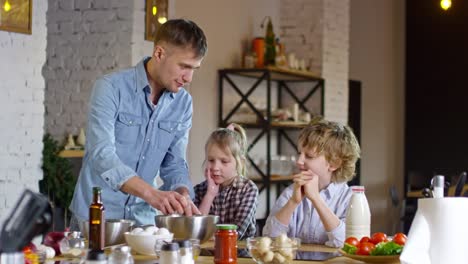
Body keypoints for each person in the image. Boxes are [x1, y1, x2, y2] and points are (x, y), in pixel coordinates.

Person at [69, 19, 207, 226]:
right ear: (159, 53)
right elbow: (102, 155)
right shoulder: (110, 88)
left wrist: (183, 193)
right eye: (184, 66)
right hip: (96, 218)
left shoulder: (183, 103)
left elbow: (175, 162)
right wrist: (151, 194)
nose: (189, 77)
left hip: (143, 223)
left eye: (194, 68)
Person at [263, 117, 361, 247]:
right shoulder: (291, 193)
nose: (299, 161)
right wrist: (293, 202)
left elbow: (348, 243)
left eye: (309, 156)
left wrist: (316, 199)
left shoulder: (349, 198)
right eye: (300, 153)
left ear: (334, 163)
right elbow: (269, 239)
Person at [193, 123, 258, 240]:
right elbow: (195, 230)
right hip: (207, 255)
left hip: (239, 256)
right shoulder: (199, 190)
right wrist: (210, 195)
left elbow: (237, 232)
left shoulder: (248, 189)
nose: (215, 167)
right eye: (211, 160)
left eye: (224, 161)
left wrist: (208, 236)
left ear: (240, 163)